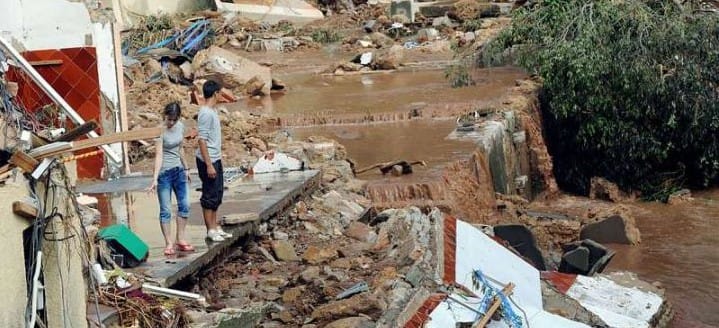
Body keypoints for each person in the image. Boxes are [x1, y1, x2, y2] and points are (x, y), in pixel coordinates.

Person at [148, 102, 194, 255]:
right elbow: (159, 155)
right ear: (165, 116)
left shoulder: (180, 126)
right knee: (166, 209)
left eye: (174, 119)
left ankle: (180, 238)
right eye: (169, 119)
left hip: (179, 171)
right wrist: (154, 178)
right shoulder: (160, 131)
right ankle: (168, 243)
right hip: (164, 174)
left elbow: (180, 148)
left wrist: (186, 168)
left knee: (185, 204)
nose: (171, 122)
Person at [196, 80, 232, 242]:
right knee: (209, 194)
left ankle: (215, 226)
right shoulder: (205, 113)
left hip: (215, 157)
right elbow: (201, 140)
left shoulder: (211, 111)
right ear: (216, 93)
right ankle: (210, 229)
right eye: (220, 93)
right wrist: (209, 165)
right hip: (207, 160)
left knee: (217, 193)